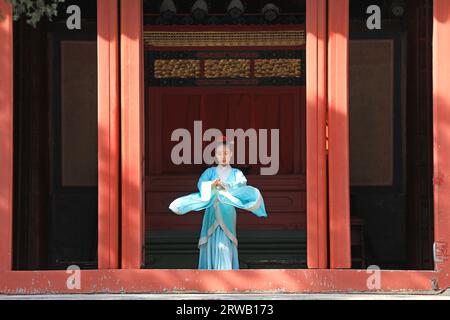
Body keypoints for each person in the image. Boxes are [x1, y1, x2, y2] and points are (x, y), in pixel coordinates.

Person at [168, 141, 268, 270]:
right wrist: (211, 184)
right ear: (216, 155)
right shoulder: (210, 172)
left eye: (226, 153)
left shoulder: (236, 173)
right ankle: (211, 272)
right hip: (212, 210)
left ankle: (227, 272)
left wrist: (227, 186)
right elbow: (201, 185)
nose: (223, 156)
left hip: (227, 210)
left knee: (224, 245)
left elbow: (241, 185)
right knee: (212, 243)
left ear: (231, 154)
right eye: (220, 153)